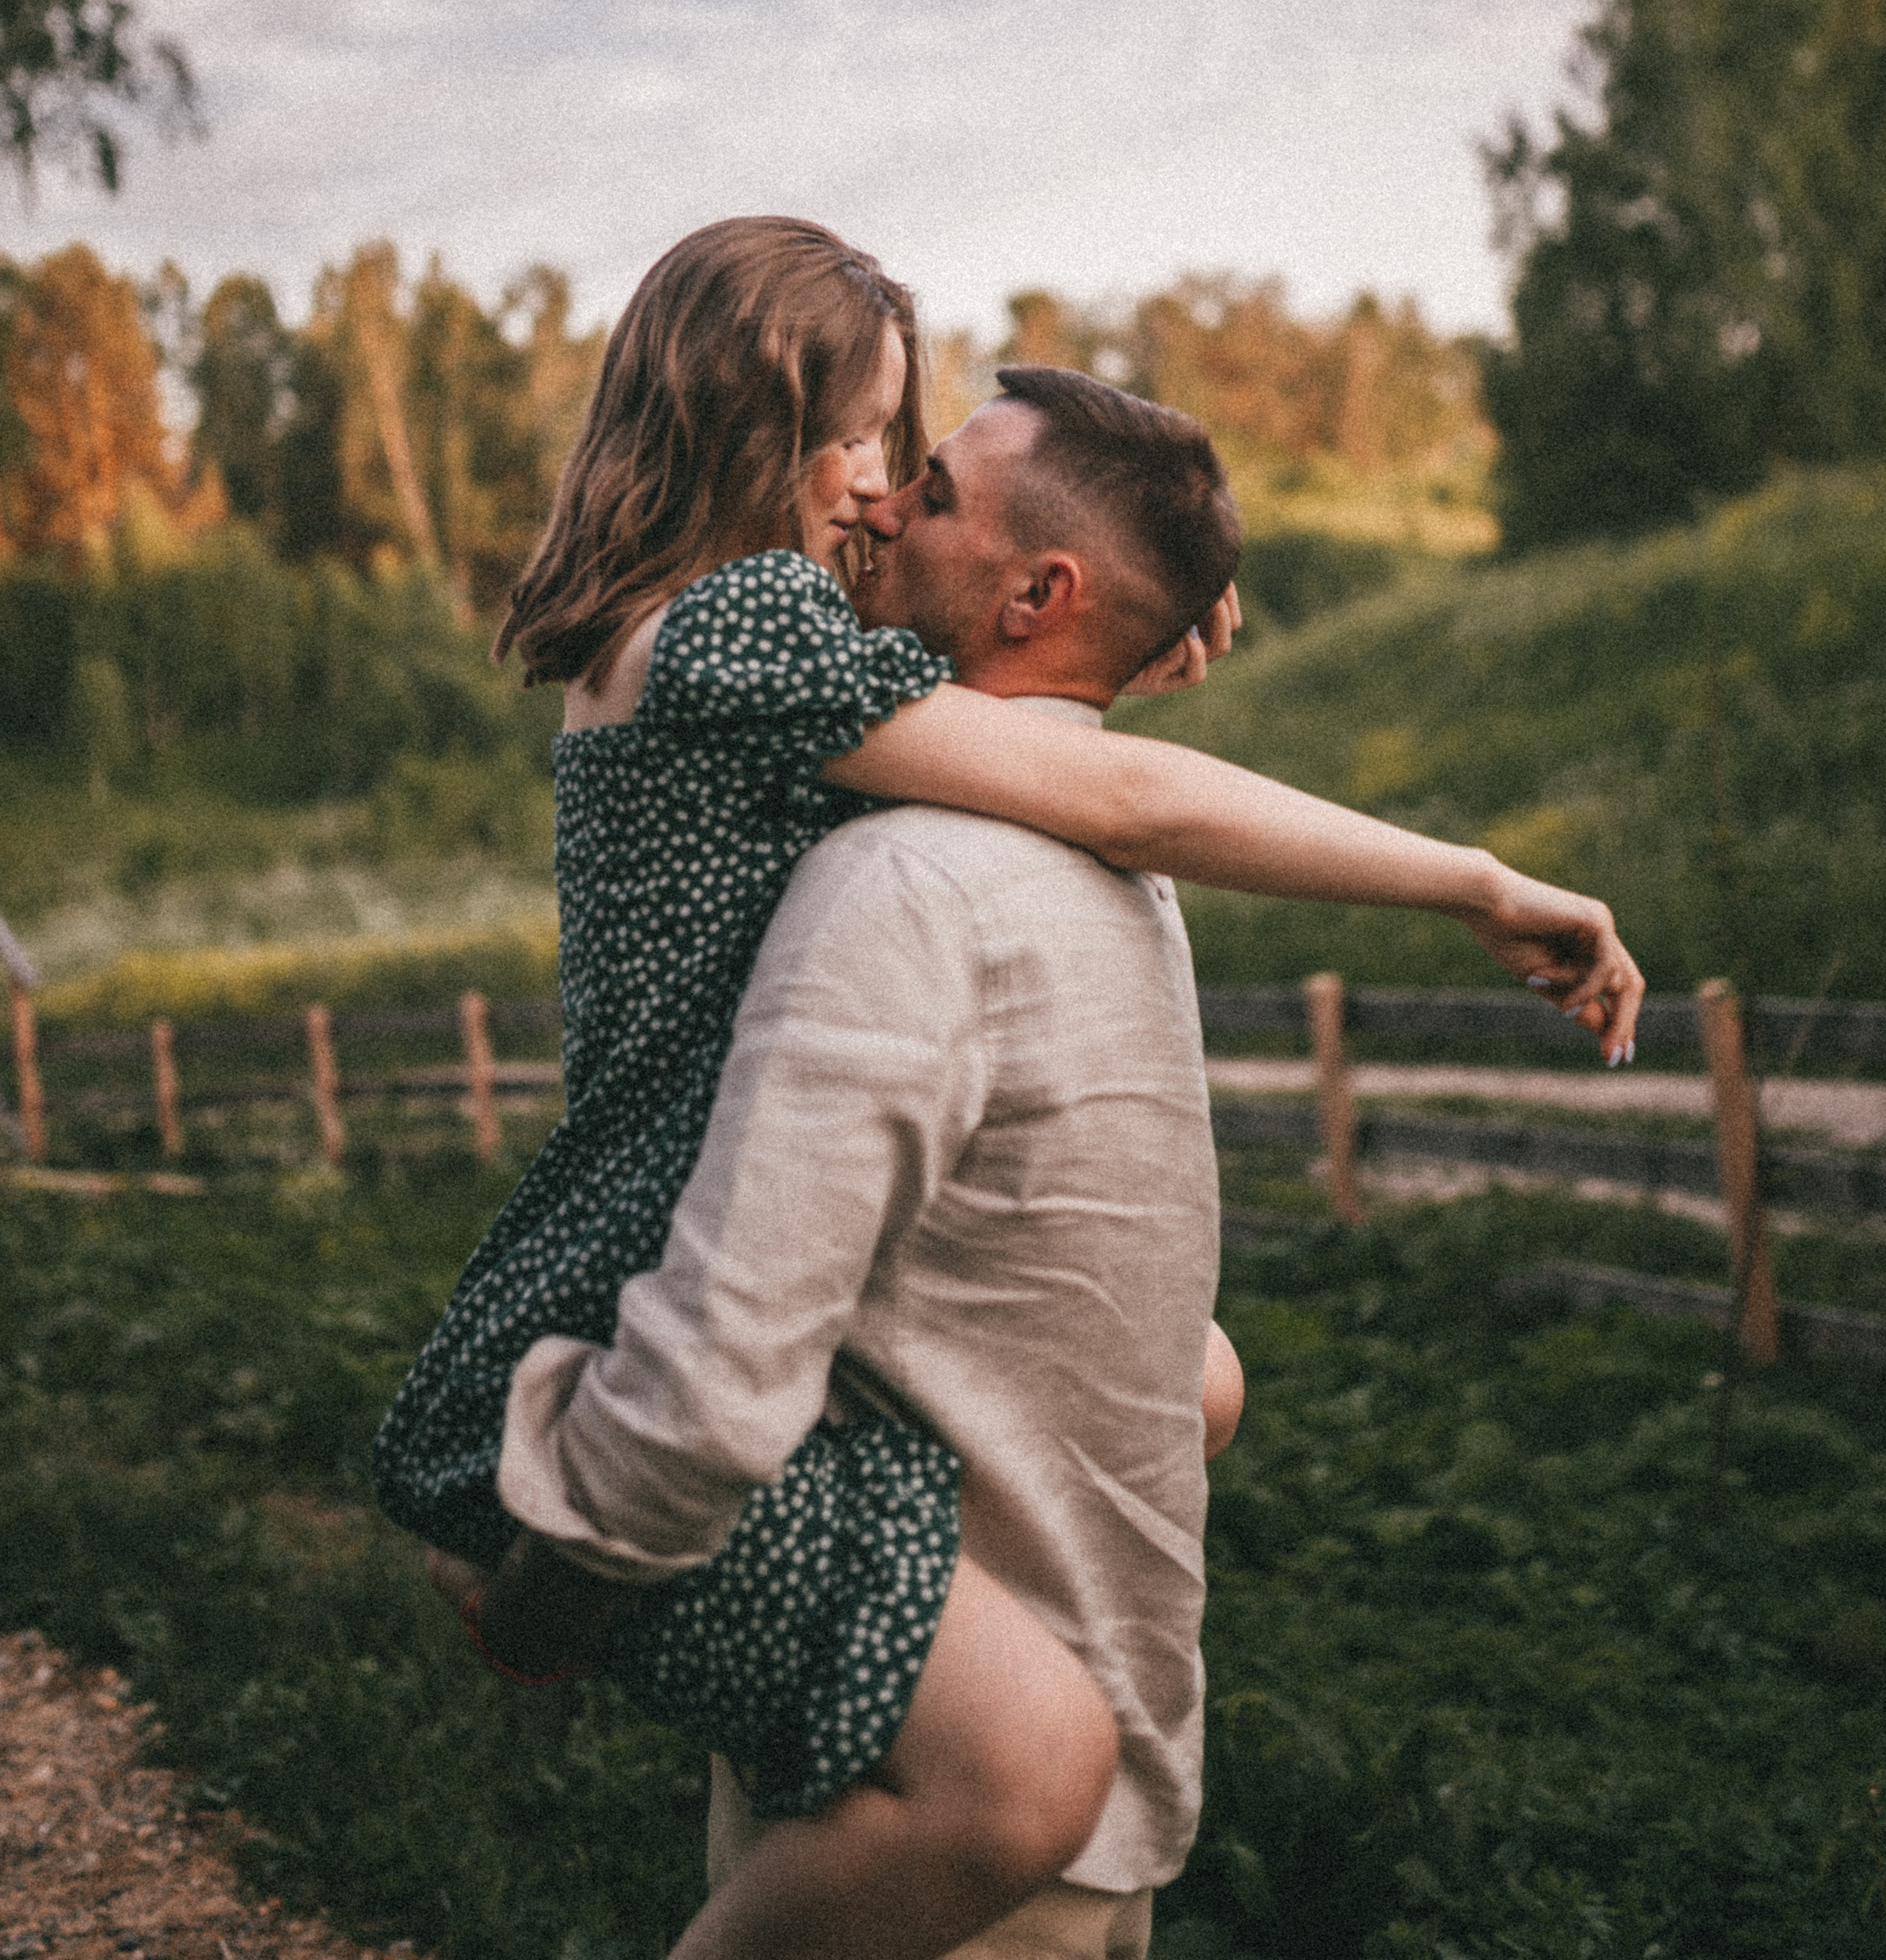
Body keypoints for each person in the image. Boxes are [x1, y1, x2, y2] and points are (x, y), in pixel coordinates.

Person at [380, 217, 1641, 1960]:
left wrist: (1107, 642)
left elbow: (1029, 720)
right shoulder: (727, 632)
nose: (881, 488)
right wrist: (1472, 879)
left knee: (1180, 1377)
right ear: (747, 431)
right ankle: (554, 1547)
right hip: (630, 1288)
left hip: (708, 1237)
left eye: (910, 453)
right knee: (1026, 1727)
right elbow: (1115, 804)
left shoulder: (714, 640)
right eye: (863, 436)